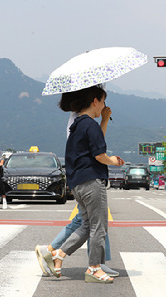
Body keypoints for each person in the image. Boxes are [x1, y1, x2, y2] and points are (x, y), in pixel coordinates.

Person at [42, 84, 124, 283]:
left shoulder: (77, 124)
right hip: (91, 182)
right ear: (94, 101)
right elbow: (99, 154)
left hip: (77, 183)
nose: (104, 106)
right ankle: (94, 268)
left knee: (87, 225)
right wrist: (114, 161)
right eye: (103, 101)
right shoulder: (90, 125)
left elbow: (93, 146)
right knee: (99, 227)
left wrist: (103, 119)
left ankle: (58, 255)